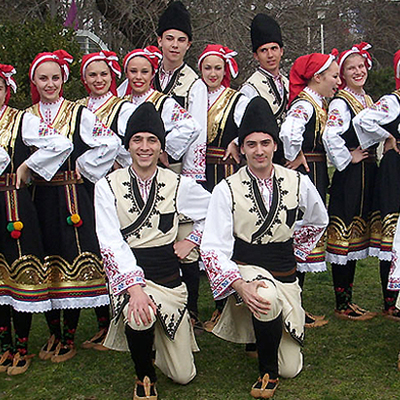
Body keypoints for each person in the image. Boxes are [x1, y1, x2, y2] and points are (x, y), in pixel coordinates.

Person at [200, 96, 328, 399]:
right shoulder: (225, 188)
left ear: (275, 146)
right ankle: (266, 372)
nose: (259, 150)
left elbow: (318, 219)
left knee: (292, 368)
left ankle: (265, 338)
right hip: (248, 269)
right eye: (252, 144)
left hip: (284, 269)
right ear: (242, 148)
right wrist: (239, 284)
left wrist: (294, 249)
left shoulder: (298, 181)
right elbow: (213, 246)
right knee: (263, 295)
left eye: (266, 143)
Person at [94, 102, 211, 400]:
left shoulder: (178, 183)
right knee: (139, 313)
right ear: (128, 144)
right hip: (133, 277)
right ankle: (144, 375)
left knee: (185, 376)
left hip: (169, 279)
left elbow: (217, 211)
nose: (144, 147)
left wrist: (192, 240)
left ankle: (160, 339)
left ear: (161, 146)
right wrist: (134, 289)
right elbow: (110, 241)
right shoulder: (106, 186)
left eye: (152, 140)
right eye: (137, 140)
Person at [26, 50, 119, 362]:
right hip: (39, 197)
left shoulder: (78, 113)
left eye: (55, 77)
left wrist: (85, 163)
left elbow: (111, 142)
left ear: (63, 79)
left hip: (71, 196)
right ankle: (54, 332)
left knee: (75, 259)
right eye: (43, 78)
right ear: (34, 81)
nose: (50, 84)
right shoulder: (27, 116)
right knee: (46, 260)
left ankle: (69, 337)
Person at [0, 64, 72, 375]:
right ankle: (4, 345)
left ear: (7, 90)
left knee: (19, 272)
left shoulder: (20, 119)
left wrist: (28, 166)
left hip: (11, 203)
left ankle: (22, 347)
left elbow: (61, 143)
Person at [77, 50, 139, 350]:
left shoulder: (122, 108)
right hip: (85, 191)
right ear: (84, 79)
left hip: (114, 187)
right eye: (92, 75)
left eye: (103, 74)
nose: (98, 80)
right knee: (94, 248)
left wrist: (112, 164)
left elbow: (130, 149)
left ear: (112, 77)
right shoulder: (78, 108)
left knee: (117, 246)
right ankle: (104, 322)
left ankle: (123, 319)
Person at [279, 51, 341, 327]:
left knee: (305, 232)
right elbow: (289, 131)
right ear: (318, 77)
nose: (338, 82)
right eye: (334, 76)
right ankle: (294, 307)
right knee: (301, 231)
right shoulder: (305, 103)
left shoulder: (315, 102)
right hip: (307, 172)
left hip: (313, 171)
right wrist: (295, 155)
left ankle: (297, 304)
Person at [322, 43, 379, 320]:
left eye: (361, 66)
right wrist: (349, 158)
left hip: (369, 173)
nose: (358, 71)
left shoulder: (367, 100)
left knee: (357, 235)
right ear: (342, 73)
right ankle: (342, 303)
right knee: (344, 235)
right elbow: (330, 135)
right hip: (351, 176)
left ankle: (349, 300)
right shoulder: (340, 102)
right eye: (351, 68)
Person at [353, 49, 400, 318]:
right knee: (392, 233)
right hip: (395, 170)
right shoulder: (393, 101)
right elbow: (363, 120)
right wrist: (389, 135)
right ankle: (389, 302)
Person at [198, 44, 250, 191]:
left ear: (225, 70)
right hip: (197, 170)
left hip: (225, 168)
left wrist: (236, 142)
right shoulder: (193, 97)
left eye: (218, 68)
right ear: (201, 69)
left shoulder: (237, 100)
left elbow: (250, 128)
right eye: (208, 68)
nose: (212, 74)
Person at [240, 13, 288, 164]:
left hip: (289, 156)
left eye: (274, 48)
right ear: (256, 55)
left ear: (281, 51)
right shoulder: (250, 88)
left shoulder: (289, 82)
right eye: (264, 50)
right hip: (264, 157)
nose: (270, 55)